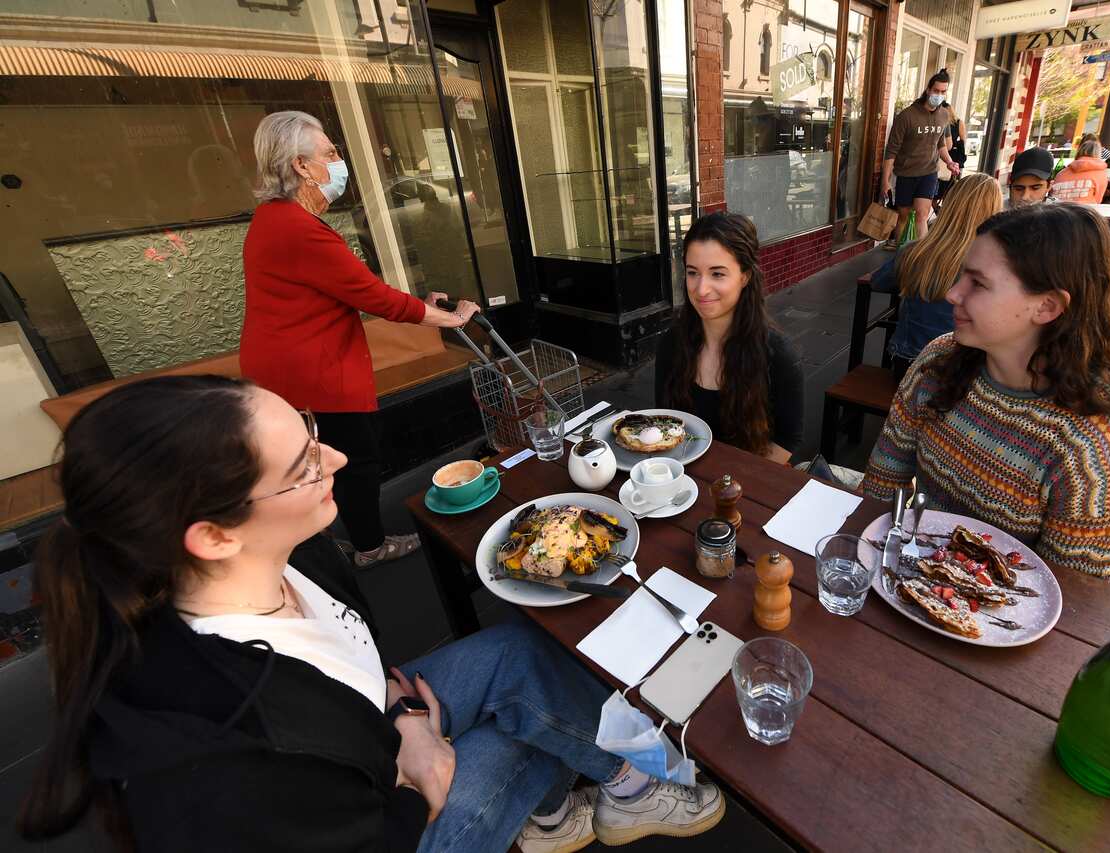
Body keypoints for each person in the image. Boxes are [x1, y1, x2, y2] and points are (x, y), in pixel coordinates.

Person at [17, 376, 725, 852]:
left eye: (310, 431)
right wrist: (416, 791)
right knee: (530, 735)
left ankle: (597, 798)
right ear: (214, 535)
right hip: (389, 826)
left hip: (371, 732)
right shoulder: (222, 768)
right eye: (302, 465)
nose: (336, 457)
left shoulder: (299, 550)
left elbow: (355, 658)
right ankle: (599, 793)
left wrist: (402, 715)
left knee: (522, 652)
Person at [859, 204, 1110, 580]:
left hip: (1003, 610)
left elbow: (1071, 596)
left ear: (1047, 306)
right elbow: (880, 486)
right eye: (961, 276)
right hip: (902, 573)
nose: (952, 293)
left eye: (978, 283)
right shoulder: (939, 361)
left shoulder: (1106, 452)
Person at [240, 111, 480, 570]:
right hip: (314, 374)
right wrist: (451, 319)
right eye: (329, 152)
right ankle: (370, 547)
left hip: (287, 370)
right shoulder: (298, 228)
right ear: (301, 166)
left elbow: (346, 288)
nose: (339, 160)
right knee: (354, 461)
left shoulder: (275, 219)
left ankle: (328, 543)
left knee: (315, 462)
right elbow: (375, 297)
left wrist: (420, 305)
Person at [655, 211, 803, 464]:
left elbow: (786, 441)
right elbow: (663, 421)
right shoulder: (672, 343)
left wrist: (726, 479)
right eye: (692, 272)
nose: (701, 289)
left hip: (747, 479)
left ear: (744, 276)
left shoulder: (777, 354)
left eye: (717, 274)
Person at [870, 173, 1003, 379]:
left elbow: (878, 282)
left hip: (909, 363)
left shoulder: (914, 251)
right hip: (966, 372)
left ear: (949, 206)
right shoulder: (1000, 265)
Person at [880, 69, 963, 244]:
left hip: (929, 173)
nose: (939, 95)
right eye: (936, 91)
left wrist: (949, 162)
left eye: (943, 92)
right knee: (903, 217)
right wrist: (885, 180)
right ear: (928, 90)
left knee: (922, 215)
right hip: (906, 173)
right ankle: (900, 252)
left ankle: (920, 255)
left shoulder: (944, 115)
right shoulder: (907, 116)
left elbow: (941, 144)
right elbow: (891, 150)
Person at [1051, 139, 1110, 204]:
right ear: (1099, 154)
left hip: (1057, 208)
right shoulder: (1100, 174)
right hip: (1084, 209)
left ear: (1079, 151)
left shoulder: (1061, 173)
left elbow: (1052, 197)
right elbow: (1098, 200)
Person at [933, 115, 967, 209]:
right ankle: (942, 212)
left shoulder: (938, 119)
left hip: (943, 160)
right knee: (947, 193)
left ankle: (938, 211)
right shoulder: (958, 123)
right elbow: (962, 143)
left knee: (935, 193)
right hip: (950, 160)